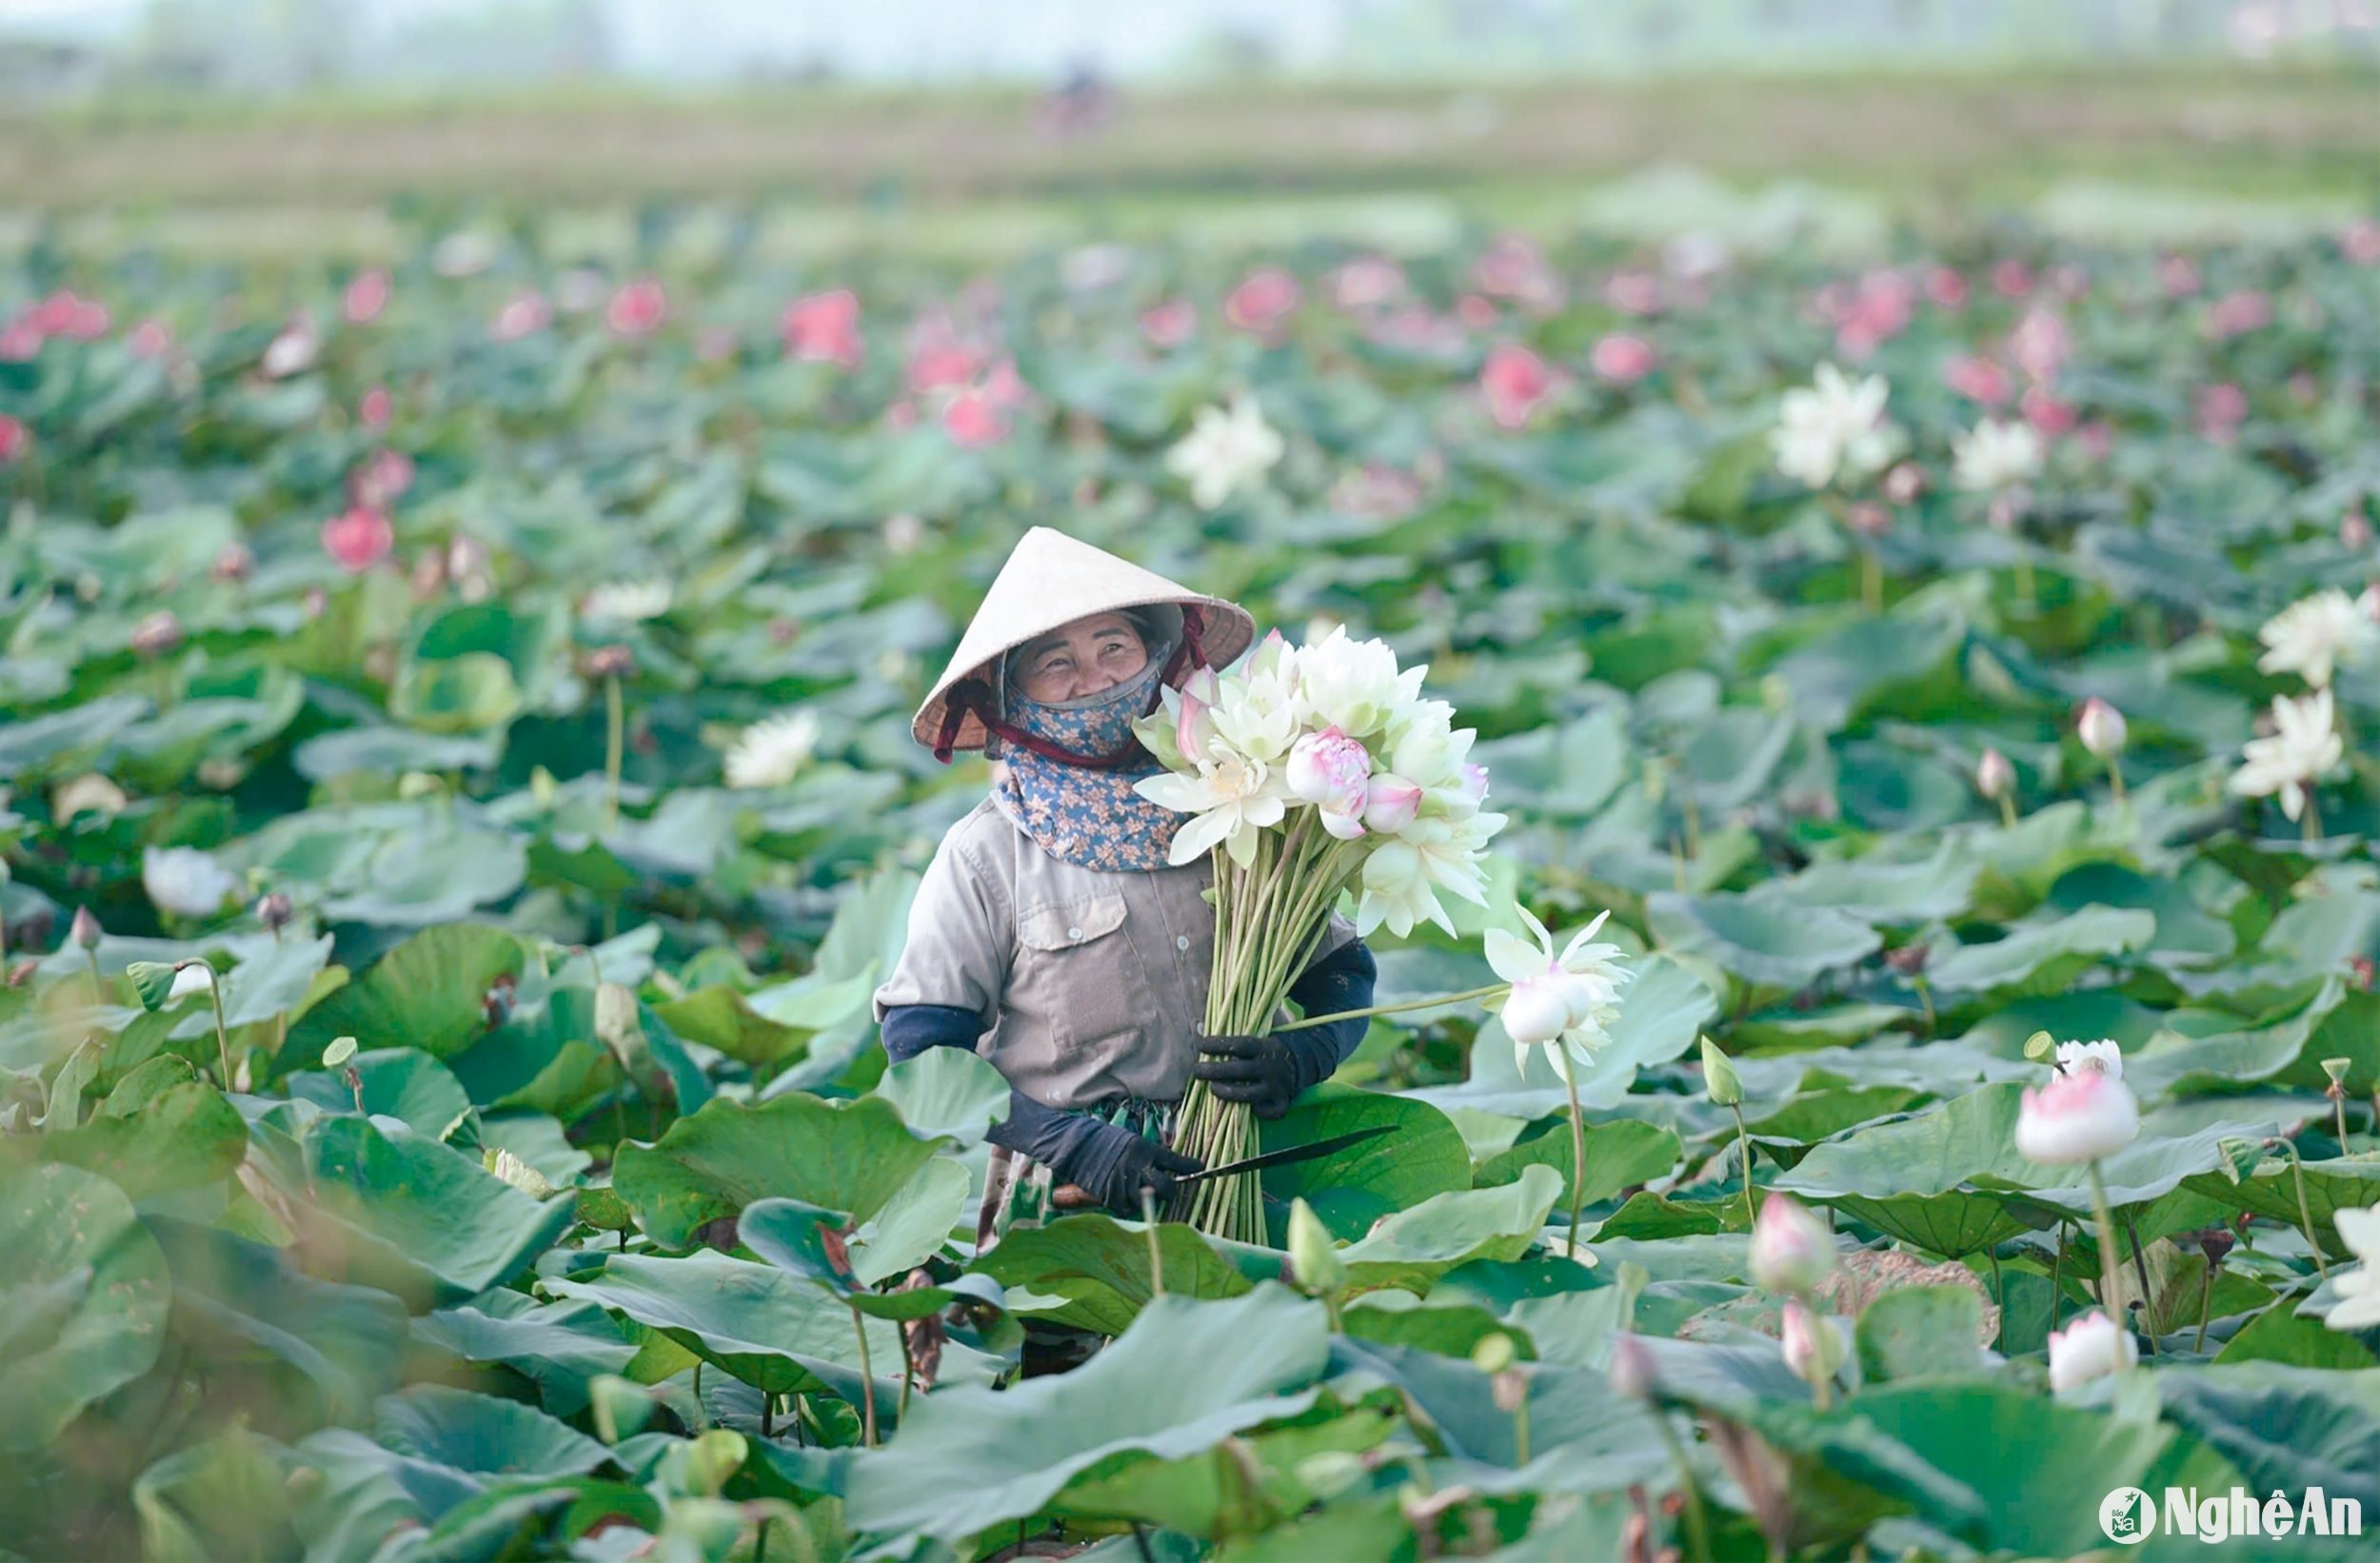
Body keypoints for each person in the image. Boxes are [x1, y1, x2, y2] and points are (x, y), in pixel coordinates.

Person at [872, 527, 1377, 1245]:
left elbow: (1342, 973)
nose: (1096, 677)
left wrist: (1301, 1058)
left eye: (1114, 647)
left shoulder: (1239, 799)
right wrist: (1072, 1143)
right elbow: (921, 1049)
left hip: (1251, 1174)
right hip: (1066, 1202)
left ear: (1159, 655)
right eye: (1057, 662)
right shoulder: (985, 854)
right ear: (1011, 694)